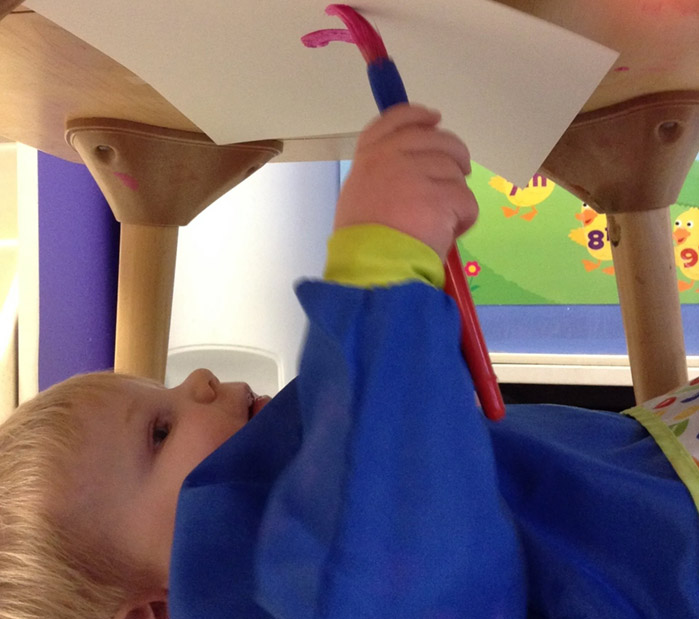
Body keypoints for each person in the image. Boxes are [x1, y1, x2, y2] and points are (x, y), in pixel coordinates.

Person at [1, 104, 698, 619]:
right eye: (159, 431)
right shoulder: (253, 589)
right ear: (153, 611)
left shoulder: (286, 477)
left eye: (165, 389)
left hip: (647, 470)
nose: (199, 380)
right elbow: (400, 569)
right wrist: (380, 270)